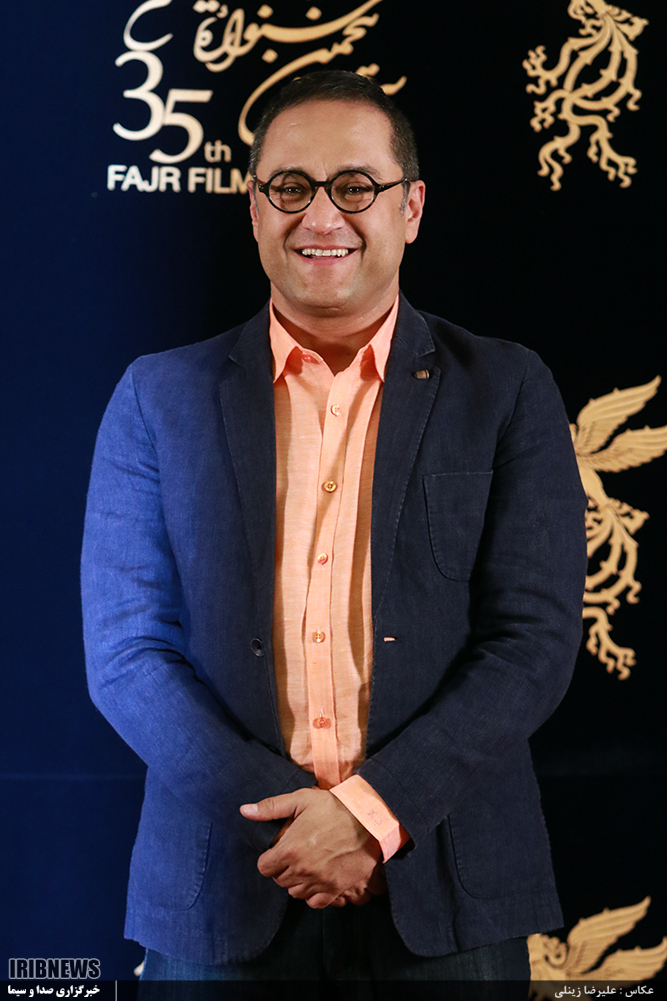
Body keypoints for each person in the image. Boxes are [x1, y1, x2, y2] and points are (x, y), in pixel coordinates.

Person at [81, 70, 587, 984]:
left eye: (355, 186)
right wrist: (297, 826)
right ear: (253, 208)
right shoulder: (158, 397)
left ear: (410, 207)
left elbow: (534, 642)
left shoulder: (506, 388)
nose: (321, 216)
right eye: (290, 187)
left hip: (450, 888)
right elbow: (126, 653)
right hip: (221, 889)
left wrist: (368, 814)